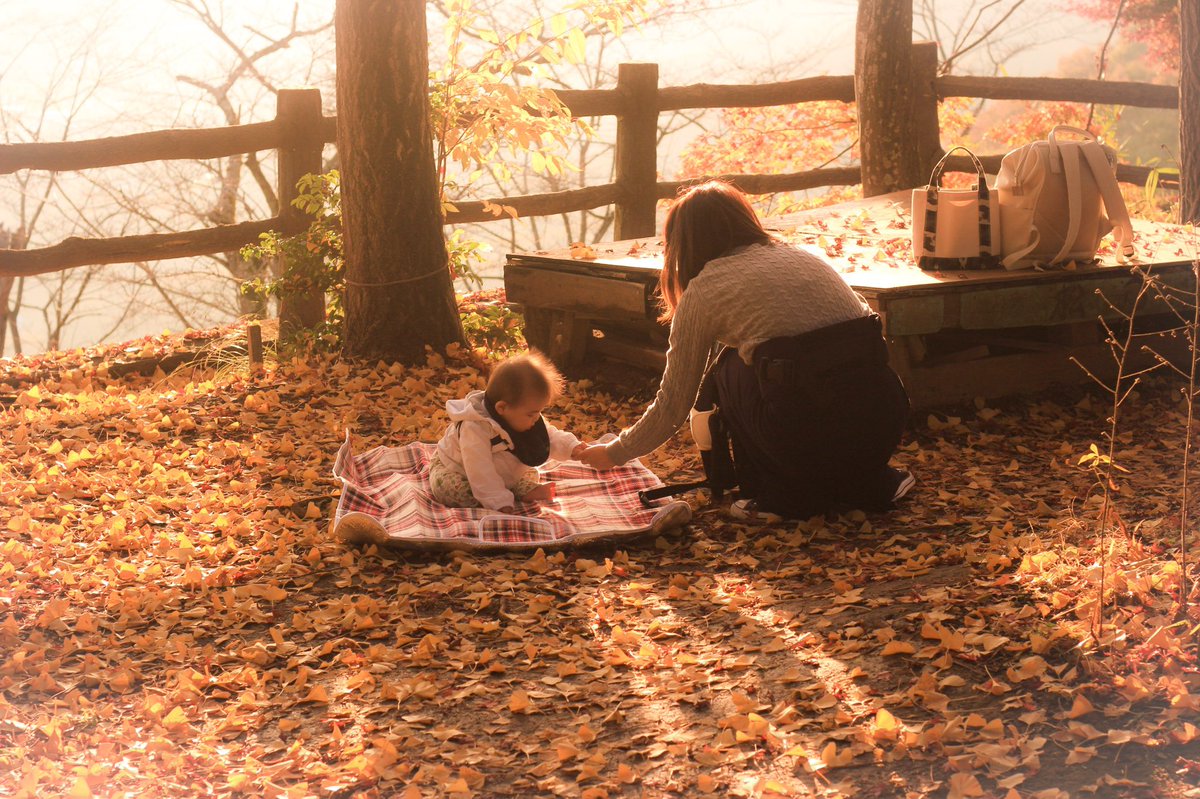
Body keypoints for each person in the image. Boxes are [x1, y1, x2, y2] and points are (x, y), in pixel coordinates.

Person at [579, 180, 913, 523]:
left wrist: (615, 453)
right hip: (882, 420)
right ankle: (869, 482)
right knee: (800, 369)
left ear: (683, 243)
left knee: (729, 368)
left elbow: (673, 404)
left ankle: (781, 498)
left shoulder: (706, 288)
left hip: (803, 435)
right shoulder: (804, 257)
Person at [430, 351, 588, 513]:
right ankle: (503, 493)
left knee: (530, 472)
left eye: (538, 412)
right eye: (531, 414)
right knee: (458, 493)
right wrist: (498, 502)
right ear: (502, 408)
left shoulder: (520, 415)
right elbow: (480, 470)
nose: (536, 419)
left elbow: (548, 436)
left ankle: (512, 488)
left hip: (499, 468)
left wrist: (571, 447)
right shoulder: (475, 427)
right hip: (455, 467)